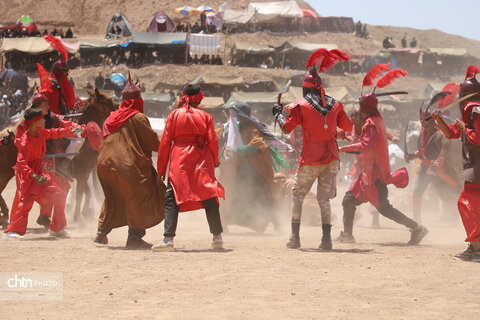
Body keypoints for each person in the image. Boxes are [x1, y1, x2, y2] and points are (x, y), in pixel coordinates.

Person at [336, 66, 428, 245]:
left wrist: (342, 149)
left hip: (373, 175)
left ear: (365, 108)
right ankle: (347, 235)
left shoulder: (371, 123)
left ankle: (417, 228)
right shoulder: (377, 120)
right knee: (349, 201)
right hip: (368, 175)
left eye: (361, 107)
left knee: (384, 209)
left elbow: (365, 145)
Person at [272, 48, 353, 250]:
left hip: (311, 159)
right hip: (332, 157)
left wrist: (278, 113)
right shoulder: (336, 105)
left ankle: (295, 238)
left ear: (305, 89)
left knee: (298, 195)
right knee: (324, 199)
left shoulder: (300, 105)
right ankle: (326, 240)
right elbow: (349, 127)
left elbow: (285, 127)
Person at [94, 74, 165, 249]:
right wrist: (169, 146)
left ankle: (101, 233)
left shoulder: (111, 117)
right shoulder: (138, 117)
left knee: (112, 196)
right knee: (140, 195)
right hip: (126, 165)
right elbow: (152, 143)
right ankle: (134, 237)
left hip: (103, 164)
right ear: (137, 99)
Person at [152, 84, 225, 251]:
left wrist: (161, 168)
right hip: (202, 157)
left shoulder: (174, 115)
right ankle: (217, 237)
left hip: (180, 158)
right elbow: (213, 141)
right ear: (199, 98)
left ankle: (168, 239)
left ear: (183, 96)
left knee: (172, 197)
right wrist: (215, 160)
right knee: (209, 194)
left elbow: (165, 143)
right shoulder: (206, 116)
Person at [3, 108, 81, 240]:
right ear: (34, 123)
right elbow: (21, 163)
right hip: (27, 175)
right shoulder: (25, 140)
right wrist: (34, 176)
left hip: (40, 172)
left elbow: (55, 132)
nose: (44, 121)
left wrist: (71, 131)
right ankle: (13, 231)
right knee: (26, 202)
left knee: (59, 194)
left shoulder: (41, 133)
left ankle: (57, 228)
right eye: (41, 119)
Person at [217, 102, 291, 233]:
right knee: (231, 196)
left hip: (256, 171)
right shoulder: (230, 128)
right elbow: (216, 134)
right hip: (238, 172)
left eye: (236, 113)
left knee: (266, 195)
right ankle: (223, 223)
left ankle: (277, 223)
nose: (233, 116)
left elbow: (258, 146)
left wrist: (237, 151)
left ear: (242, 115)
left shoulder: (253, 129)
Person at [431, 66, 480, 261]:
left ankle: (476, 247)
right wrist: (440, 121)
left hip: (478, 169)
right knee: (471, 206)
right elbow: (452, 133)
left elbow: (477, 137)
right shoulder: (471, 113)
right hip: (473, 169)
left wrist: (462, 127)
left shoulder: (476, 110)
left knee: (466, 204)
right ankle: (474, 245)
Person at [406, 103, 460, 223]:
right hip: (425, 168)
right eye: (420, 119)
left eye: (424, 119)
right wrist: (412, 155)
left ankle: (455, 217)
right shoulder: (423, 133)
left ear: (431, 120)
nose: (422, 121)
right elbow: (422, 151)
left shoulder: (440, 133)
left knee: (444, 196)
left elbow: (444, 151)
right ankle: (417, 219)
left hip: (438, 171)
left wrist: (436, 165)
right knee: (416, 192)